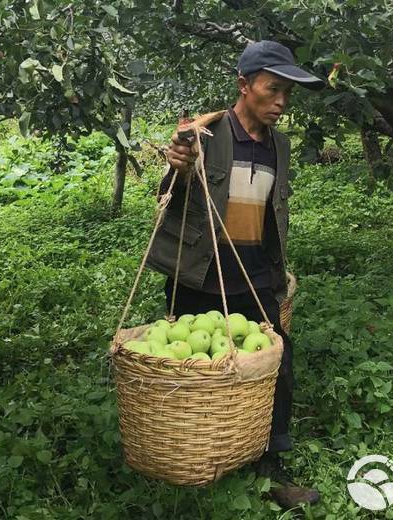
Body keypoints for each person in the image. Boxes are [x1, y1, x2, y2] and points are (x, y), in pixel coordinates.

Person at [146, 40, 324, 509]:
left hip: (255, 278)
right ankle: (194, 460)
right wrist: (177, 165)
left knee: (274, 368)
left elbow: (273, 216)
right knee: (193, 372)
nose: (282, 102)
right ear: (244, 86)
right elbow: (173, 187)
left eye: (288, 93)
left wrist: (278, 271)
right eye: (273, 89)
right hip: (200, 275)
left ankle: (270, 466)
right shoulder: (205, 134)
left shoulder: (279, 146)